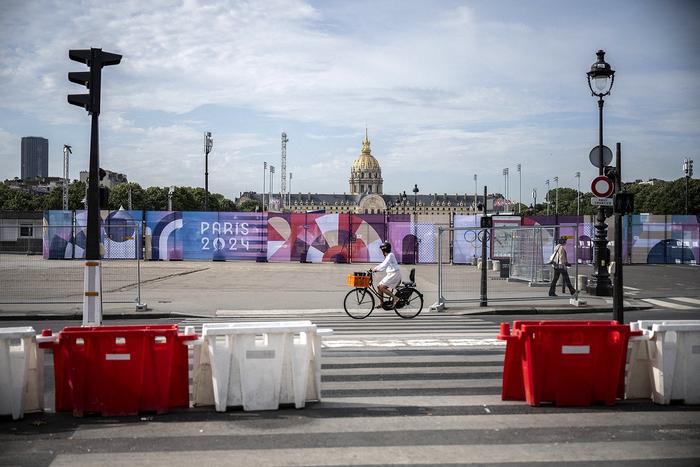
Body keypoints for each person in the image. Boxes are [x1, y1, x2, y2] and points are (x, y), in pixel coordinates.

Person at [371, 241, 402, 308]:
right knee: (379, 286)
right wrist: (375, 268)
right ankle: (381, 303)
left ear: (384, 250)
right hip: (391, 275)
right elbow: (383, 264)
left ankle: (395, 298)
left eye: (382, 250)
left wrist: (376, 270)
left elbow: (384, 265)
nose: (382, 252)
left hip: (394, 275)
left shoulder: (390, 255)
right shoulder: (388, 256)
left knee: (382, 287)